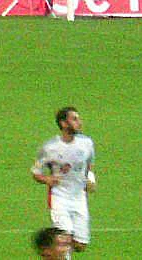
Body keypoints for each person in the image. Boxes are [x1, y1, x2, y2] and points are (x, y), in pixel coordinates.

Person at [32, 107, 96, 253]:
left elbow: (90, 164)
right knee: (64, 239)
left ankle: (47, 251)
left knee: (80, 245)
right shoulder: (50, 147)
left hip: (79, 197)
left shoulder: (87, 143)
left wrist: (91, 179)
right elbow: (36, 172)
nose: (80, 122)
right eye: (75, 119)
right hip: (59, 197)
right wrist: (47, 179)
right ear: (64, 124)